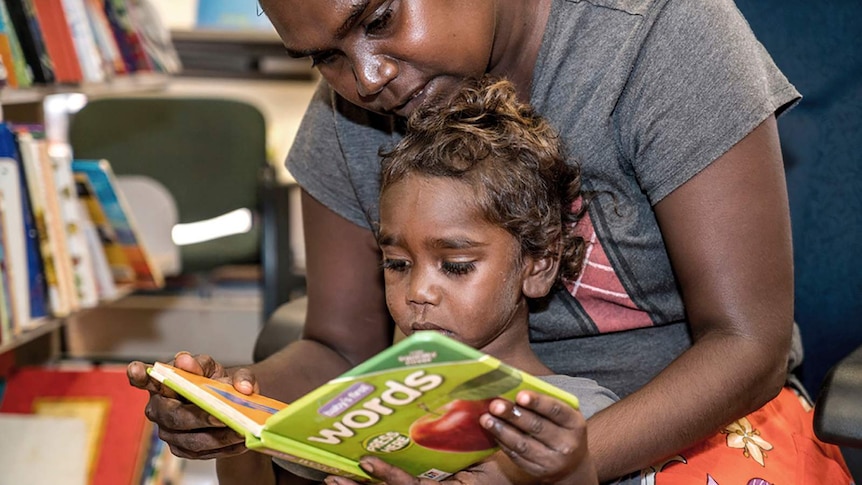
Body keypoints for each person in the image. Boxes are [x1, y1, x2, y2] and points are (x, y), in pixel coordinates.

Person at [128, 0, 854, 483]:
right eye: (324, 56)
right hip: (454, 436)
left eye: (380, 15)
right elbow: (339, 350)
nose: (367, 76)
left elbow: (747, 343)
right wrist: (234, 404)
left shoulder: (657, 36)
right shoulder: (351, 116)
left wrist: (553, 466)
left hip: (669, 432)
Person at [289, 75, 621, 485]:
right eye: (397, 264)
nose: (419, 293)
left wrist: (571, 471)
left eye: (456, 265)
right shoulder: (362, 417)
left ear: (538, 264)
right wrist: (230, 431)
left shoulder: (569, 417)